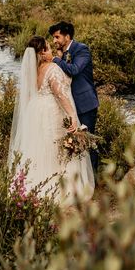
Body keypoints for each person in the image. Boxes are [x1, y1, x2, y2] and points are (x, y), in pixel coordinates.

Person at [8, 36, 94, 203]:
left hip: (36, 111)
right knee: (56, 148)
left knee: (41, 147)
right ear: (43, 51)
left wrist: (60, 60)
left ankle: (34, 185)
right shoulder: (52, 68)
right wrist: (71, 115)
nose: (51, 47)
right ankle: (61, 189)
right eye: (48, 46)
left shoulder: (33, 71)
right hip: (52, 110)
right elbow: (60, 94)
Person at [49, 21, 99, 173]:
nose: (54, 41)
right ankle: (81, 177)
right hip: (70, 105)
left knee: (88, 141)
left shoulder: (81, 49)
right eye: (53, 38)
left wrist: (55, 60)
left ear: (67, 36)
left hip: (85, 103)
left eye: (57, 37)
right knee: (75, 141)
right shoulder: (62, 54)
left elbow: (75, 69)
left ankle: (94, 178)